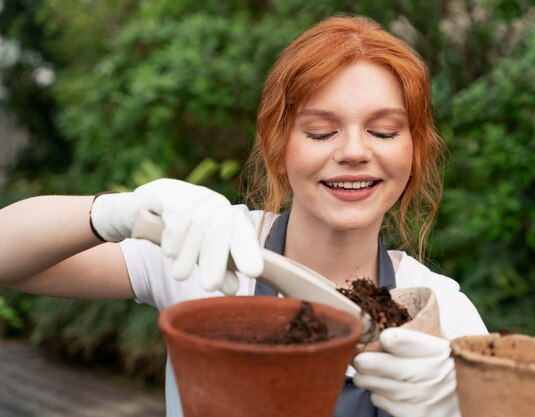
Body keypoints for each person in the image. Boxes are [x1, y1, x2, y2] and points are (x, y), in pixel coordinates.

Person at [0, 15, 487, 417]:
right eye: (320, 132)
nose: (354, 152)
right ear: (279, 148)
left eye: (383, 131)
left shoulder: (444, 313)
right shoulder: (213, 251)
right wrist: (114, 212)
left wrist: (458, 408)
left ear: (414, 154)